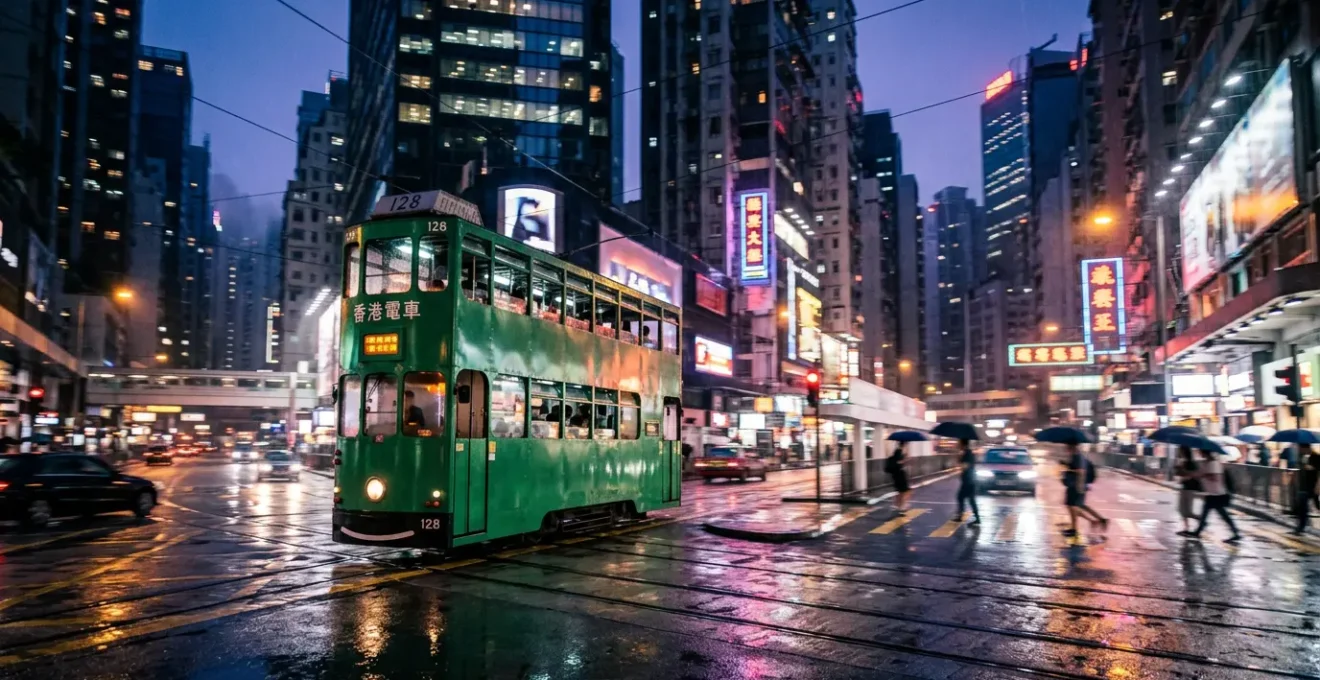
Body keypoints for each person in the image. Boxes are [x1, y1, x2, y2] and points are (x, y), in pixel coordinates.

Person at [1188, 448, 1241, 543]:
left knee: (1221, 514)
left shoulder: (1214, 463)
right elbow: (1202, 474)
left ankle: (1235, 533)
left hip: (1217, 493)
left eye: (1201, 452)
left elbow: (1215, 478)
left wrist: (1204, 475)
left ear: (1205, 452)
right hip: (1212, 493)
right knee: (1213, 513)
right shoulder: (1207, 463)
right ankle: (1235, 532)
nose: (1200, 454)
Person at [1062, 443, 1107, 537]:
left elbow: (1081, 471)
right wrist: (1066, 465)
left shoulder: (1077, 457)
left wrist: (1068, 470)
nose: (1066, 449)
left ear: (1072, 448)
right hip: (1077, 485)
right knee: (1078, 506)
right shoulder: (1077, 457)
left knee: (1072, 506)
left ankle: (1075, 529)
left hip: (1076, 485)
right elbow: (1075, 467)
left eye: (1068, 448)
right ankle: (1098, 520)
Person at [1291, 443, 1319, 535]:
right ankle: (1301, 526)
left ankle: (1302, 526)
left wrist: (1318, 486)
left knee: (1316, 505)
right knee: (1302, 506)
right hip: (1303, 485)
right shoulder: (1302, 457)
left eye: (1301, 449)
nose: (1300, 451)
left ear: (1306, 448)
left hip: (1313, 485)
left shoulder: (1316, 457)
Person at [1174, 446, 1202, 535]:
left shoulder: (1191, 463)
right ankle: (1186, 527)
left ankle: (1201, 519)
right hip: (1184, 488)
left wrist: (1185, 477)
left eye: (1181, 451)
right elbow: (1179, 473)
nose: (1180, 453)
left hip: (1190, 489)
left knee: (1188, 511)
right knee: (1181, 509)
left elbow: (1195, 475)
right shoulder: (1183, 462)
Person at [954, 439, 980, 525]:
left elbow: (965, 466)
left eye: (959, 443)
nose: (957, 445)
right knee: (968, 499)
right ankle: (975, 518)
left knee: (962, 498)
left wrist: (960, 460)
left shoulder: (967, 454)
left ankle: (962, 516)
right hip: (969, 480)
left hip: (968, 481)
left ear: (963, 444)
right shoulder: (968, 453)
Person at [886, 441, 912, 514]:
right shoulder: (899, 452)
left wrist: (905, 459)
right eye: (906, 444)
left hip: (896, 475)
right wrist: (905, 460)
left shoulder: (898, 451)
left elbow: (899, 462)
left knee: (900, 491)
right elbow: (899, 462)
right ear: (904, 444)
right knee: (905, 491)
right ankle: (902, 506)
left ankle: (897, 505)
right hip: (899, 475)